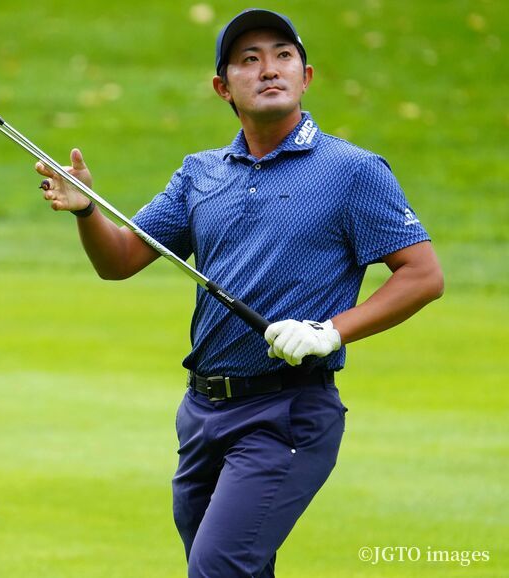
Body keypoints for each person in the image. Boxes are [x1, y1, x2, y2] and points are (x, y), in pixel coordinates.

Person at [34, 8, 444, 577]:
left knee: (217, 568)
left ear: (306, 77)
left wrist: (330, 331)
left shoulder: (352, 171)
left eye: (283, 56)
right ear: (222, 87)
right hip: (202, 413)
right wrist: (86, 212)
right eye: (249, 60)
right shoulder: (200, 173)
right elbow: (121, 260)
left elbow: (423, 275)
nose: (269, 69)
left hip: (288, 413)